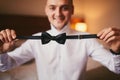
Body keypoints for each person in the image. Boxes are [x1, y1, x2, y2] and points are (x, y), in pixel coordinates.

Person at [0, 0, 120, 80]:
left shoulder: (87, 40)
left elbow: (117, 69)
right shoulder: (34, 40)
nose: (58, 13)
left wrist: (116, 51)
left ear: (72, 10)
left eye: (64, 8)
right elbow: (5, 66)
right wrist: (2, 51)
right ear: (46, 10)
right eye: (52, 8)